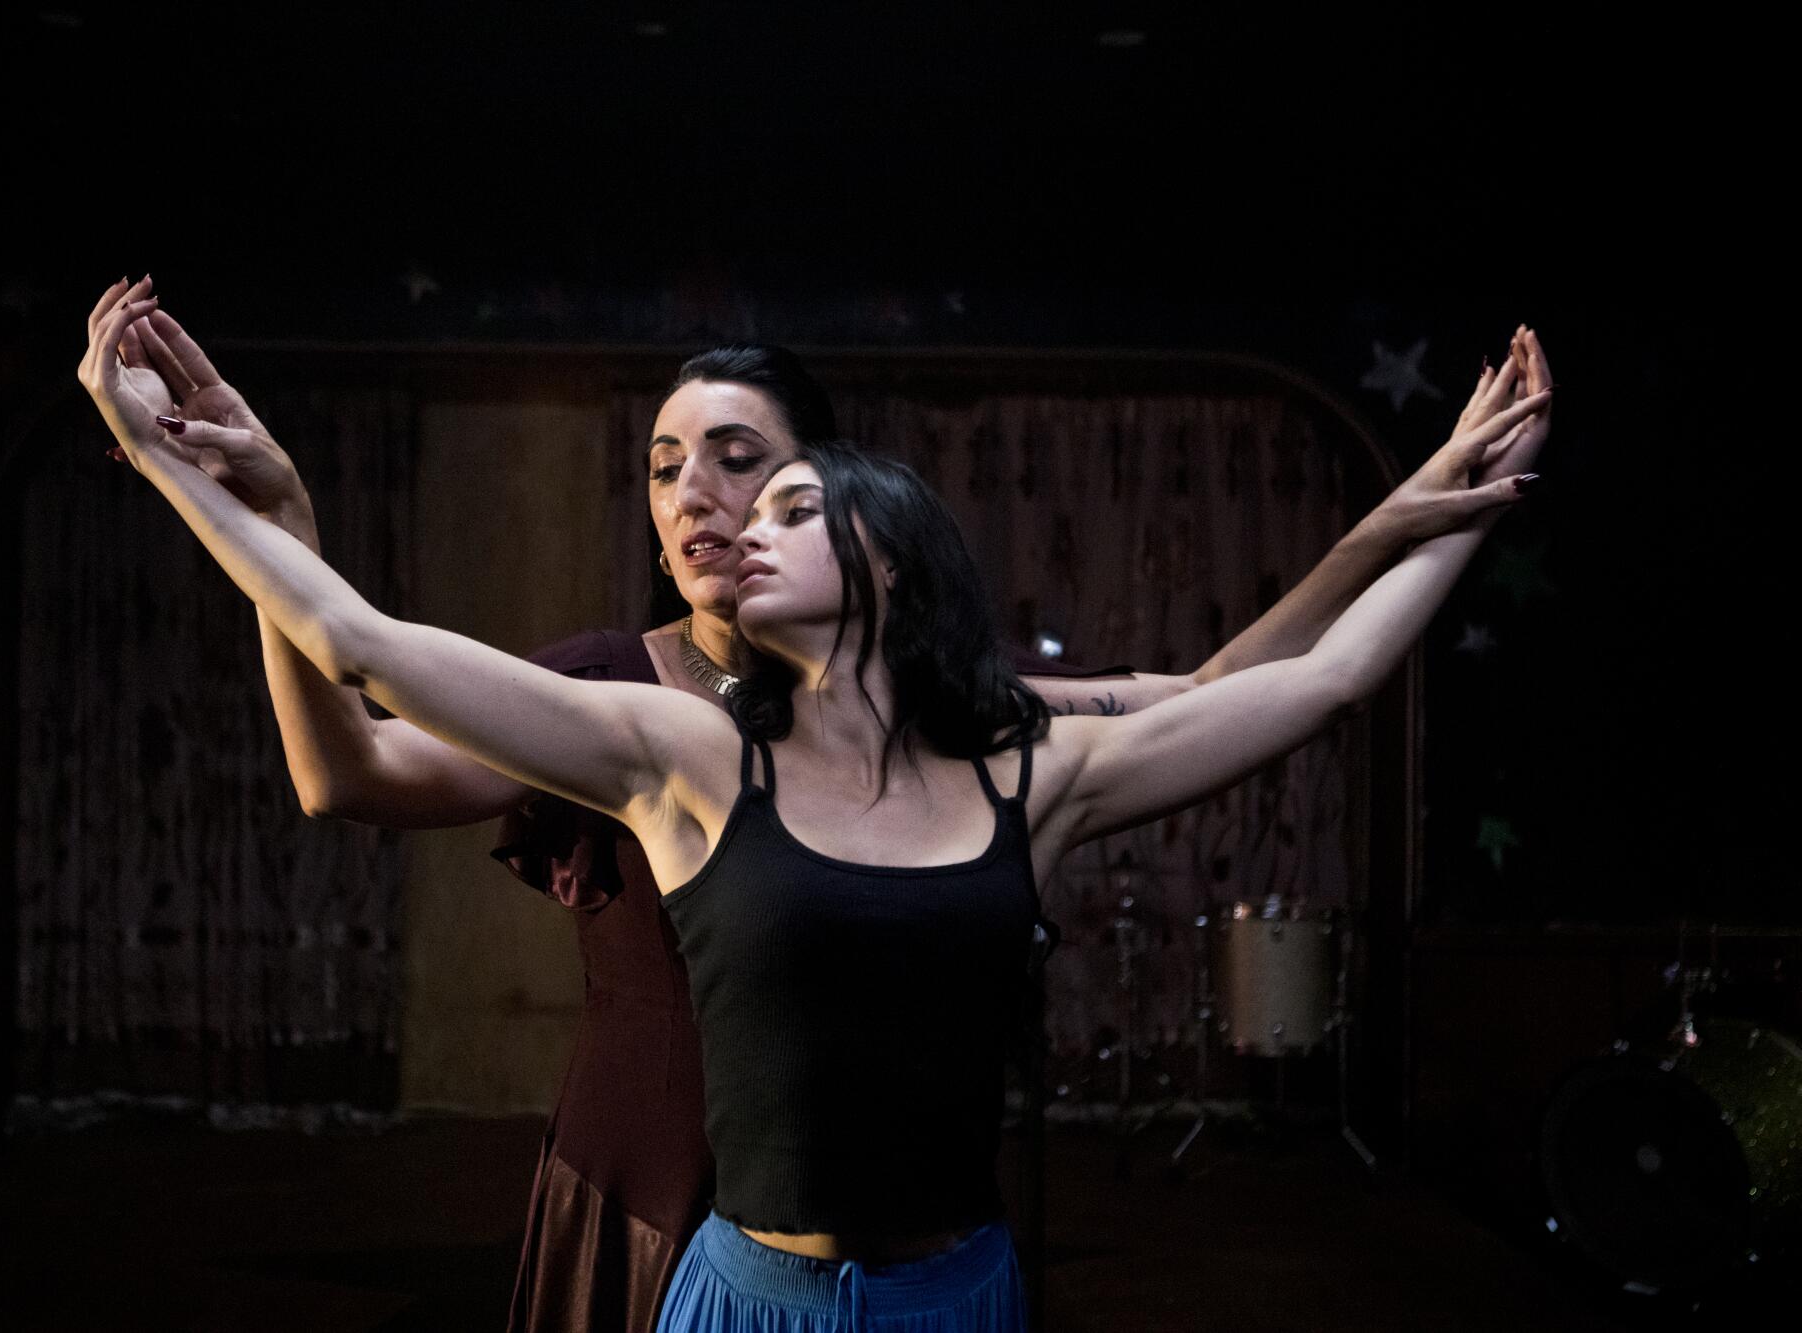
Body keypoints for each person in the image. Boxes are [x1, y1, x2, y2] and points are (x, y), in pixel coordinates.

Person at [81, 277, 1551, 1327]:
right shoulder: (663, 735)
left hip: (946, 1277)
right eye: (669, 469)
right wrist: (213, 482)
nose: (708, 507)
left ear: (883, 537)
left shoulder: (1016, 758)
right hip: (696, 1238)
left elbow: (1292, 680)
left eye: (769, 480)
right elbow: (355, 672)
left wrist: (1418, 509)